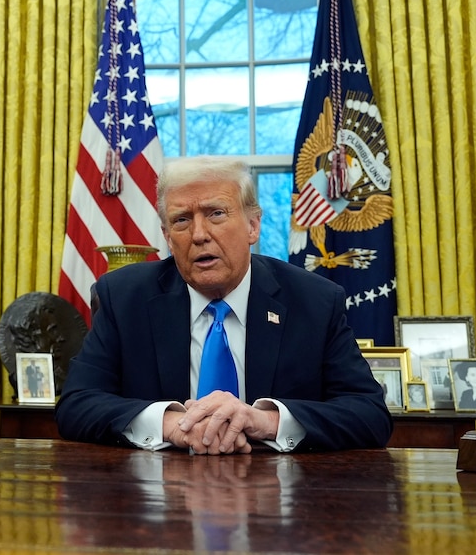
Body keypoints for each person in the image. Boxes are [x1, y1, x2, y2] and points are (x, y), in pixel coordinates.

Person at [55, 156, 393, 454]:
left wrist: (264, 421)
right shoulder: (124, 297)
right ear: (167, 237)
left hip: (280, 494)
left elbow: (369, 414)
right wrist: (172, 425)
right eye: (181, 220)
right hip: (159, 493)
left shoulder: (314, 301)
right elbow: (76, 405)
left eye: (216, 213)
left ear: (252, 226)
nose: (199, 234)